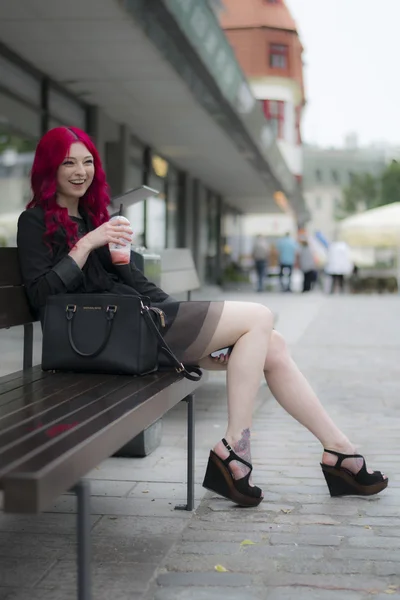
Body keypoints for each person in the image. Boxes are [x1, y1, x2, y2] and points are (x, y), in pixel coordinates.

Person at [17, 127, 387, 508]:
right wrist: (88, 243)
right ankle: (234, 448)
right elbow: (40, 297)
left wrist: (164, 302)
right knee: (259, 316)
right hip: (103, 343)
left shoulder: (96, 216)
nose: (80, 171)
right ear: (50, 169)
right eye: (68, 163)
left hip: (141, 329)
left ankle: (337, 449)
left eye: (87, 161)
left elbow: (133, 283)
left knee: (271, 345)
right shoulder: (35, 222)